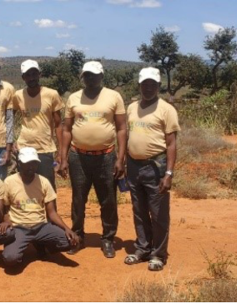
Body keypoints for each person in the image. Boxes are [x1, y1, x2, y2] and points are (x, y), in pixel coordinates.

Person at [58, 61, 127, 258]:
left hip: (106, 156)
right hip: (78, 156)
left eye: (94, 75)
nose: (90, 78)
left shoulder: (113, 97)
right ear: (83, 77)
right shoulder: (73, 98)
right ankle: (78, 237)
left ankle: (107, 239)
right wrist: (63, 158)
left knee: (108, 200)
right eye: (87, 75)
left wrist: (120, 158)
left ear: (101, 76)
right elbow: (66, 129)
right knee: (78, 199)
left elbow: (122, 128)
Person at [124, 67, 180, 271]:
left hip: (156, 167)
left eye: (152, 84)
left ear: (158, 86)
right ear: (139, 85)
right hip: (133, 166)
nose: (148, 88)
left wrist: (169, 173)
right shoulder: (131, 108)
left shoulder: (166, 109)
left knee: (158, 214)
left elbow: (172, 144)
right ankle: (142, 248)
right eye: (144, 84)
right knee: (139, 211)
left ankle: (158, 254)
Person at [0, 147, 79, 266]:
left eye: (34, 163)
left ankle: (40, 243)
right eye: (27, 164)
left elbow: (51, 213)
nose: (31, 167)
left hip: (41, 226)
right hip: (19, 227)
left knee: (71, 242)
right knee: (11, 259)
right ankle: (19, 243)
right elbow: (5, 209)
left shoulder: (43, 182)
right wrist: (7, 221)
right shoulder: (9, 182)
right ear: (20, 164)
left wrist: (67, 229)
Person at [13, 59, 64, 192]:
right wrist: (11, 141)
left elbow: (59, 124)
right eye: (28, 75)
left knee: (47, 188)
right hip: (23, 148)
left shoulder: (51, 94)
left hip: (44, 149)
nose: (31, 78)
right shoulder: (18, 96)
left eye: (34, 74)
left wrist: (61, 151)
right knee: (25, 188)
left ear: (39, 74)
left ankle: (49, 213)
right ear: (23, 77)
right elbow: (8, 119)